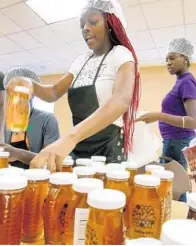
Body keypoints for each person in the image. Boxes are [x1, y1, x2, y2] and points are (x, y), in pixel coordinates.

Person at [8, 0, 141, 172]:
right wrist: (29, 84)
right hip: (80, 146)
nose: (85, 28)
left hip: (108, 147)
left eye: (92, 21)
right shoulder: (81, 61)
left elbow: (121, 101)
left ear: (110, 23)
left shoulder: (121, 54)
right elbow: (54, 92)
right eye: (82, 24)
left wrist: (69, 137)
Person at [137, 38, 196, 202]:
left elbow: (195, 121)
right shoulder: (180, 82)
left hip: (177, 142)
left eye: (172, 58)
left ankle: (180, 221)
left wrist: (159, 116)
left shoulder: (187, 81)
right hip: (173, 141)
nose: (168, 63)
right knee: (170, 187)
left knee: (174, 189)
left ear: (185, 58)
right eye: (166, 59)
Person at [0, 68, 60, 169]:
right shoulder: (7, 121)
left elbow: (50, 162)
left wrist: (18, 154)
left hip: (37, 178)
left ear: (32, 92)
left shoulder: (47, 120)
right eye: (10, 92)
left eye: (20, 92)